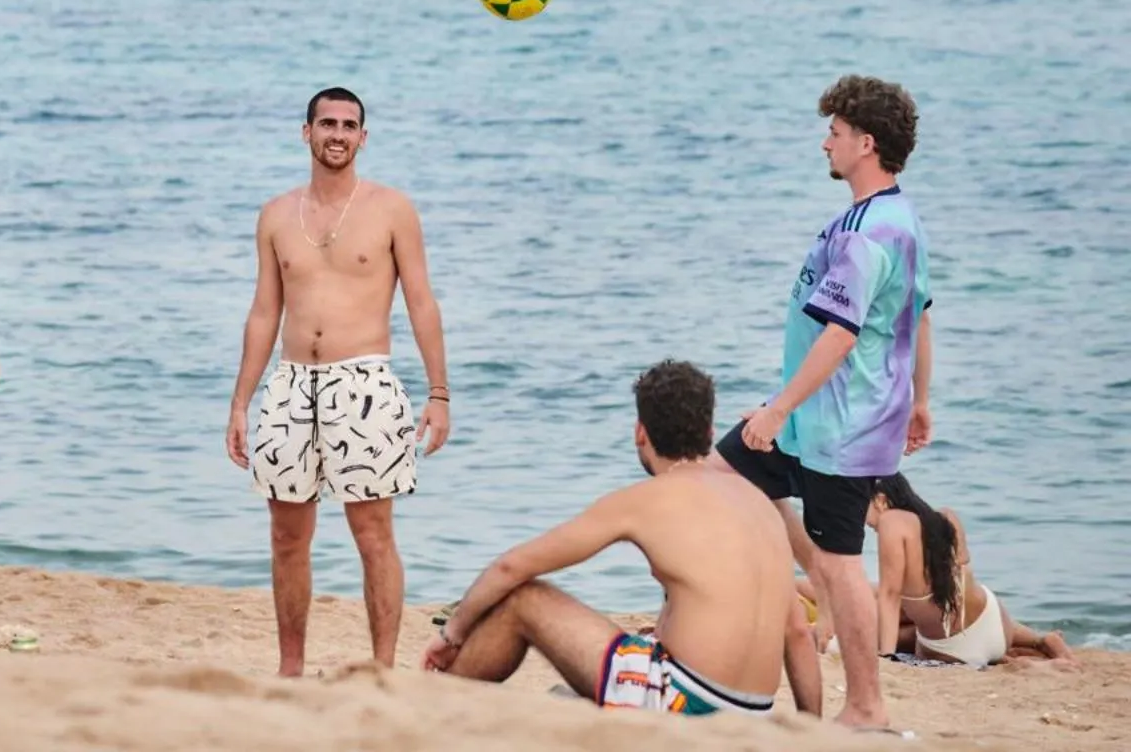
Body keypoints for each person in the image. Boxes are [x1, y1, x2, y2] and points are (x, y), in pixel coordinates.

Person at [423, 360, 822, 719]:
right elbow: (798, 634)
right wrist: (808, 730)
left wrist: (451, 635)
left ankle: (437, 713)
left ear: (640, 433)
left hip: (685, 703)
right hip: (754, 715)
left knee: (524, 599)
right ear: (709, 431)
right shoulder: (760, 504)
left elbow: (514, 565)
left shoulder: (646, 500)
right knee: (645, 640)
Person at [715, 74, 930, 730]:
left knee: (840, 562)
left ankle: (867, 706)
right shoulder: (894, 218)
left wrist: (779, 407)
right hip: (817, 418)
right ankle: (791, 596)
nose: (824, 143)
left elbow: (841, 334)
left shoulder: (870, 231)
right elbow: (918, 317)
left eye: (834, 133)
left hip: (839, 426)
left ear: (866, 143)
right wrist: (922, 400)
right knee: (714, 478)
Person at [223, 87, 450, 676]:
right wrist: (241, 401)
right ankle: (290, 669)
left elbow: (422, 303)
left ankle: (380, 669)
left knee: (373, 533)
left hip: (365, 381)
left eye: (349, 125)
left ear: (363, 138)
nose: (338, 134)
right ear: (307, 133)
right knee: (286, 535)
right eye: (327, 123)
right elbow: (264, 312)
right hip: (292, 383)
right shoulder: (276, 215)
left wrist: (439, 393)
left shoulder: (392, 209)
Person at [865, 474, 1077, 669]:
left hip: (955, 650)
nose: (863, 520)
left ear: (881, 501)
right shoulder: (946, 517)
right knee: (929, 612)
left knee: (884, 628)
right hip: (996, 623)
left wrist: (886, 657)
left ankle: (1027, 664)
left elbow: (890, 596)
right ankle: (1038, 641)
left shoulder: (890, 522)